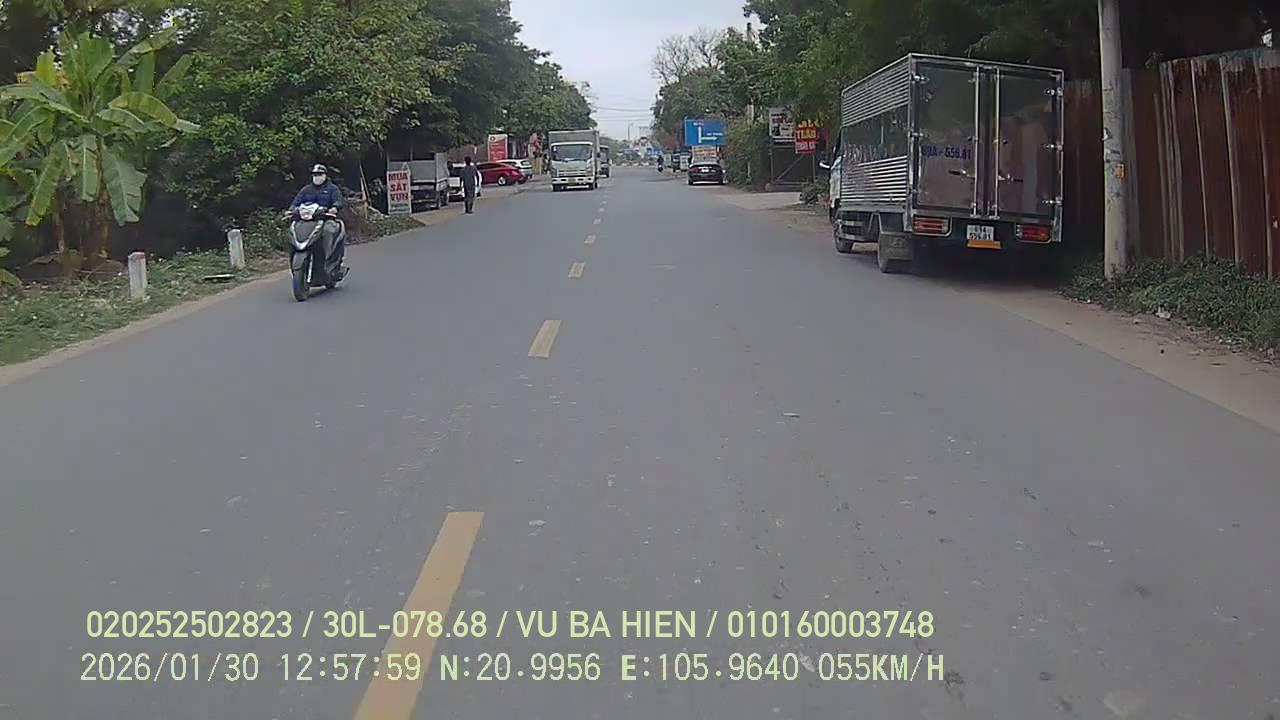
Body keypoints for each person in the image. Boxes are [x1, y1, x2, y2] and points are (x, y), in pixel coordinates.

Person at [289, 163, 346, 280]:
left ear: (325, 175)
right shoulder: (306, 190)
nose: (317, 177)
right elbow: (295, 203)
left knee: (329, 231)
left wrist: (334, 208)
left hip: (326, 219)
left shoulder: (332, 189)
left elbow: (338, 201)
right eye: (315, 174)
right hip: (307, 221)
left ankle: (329, 260)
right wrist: (291, 210)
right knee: (292, 230)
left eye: (319, 174)